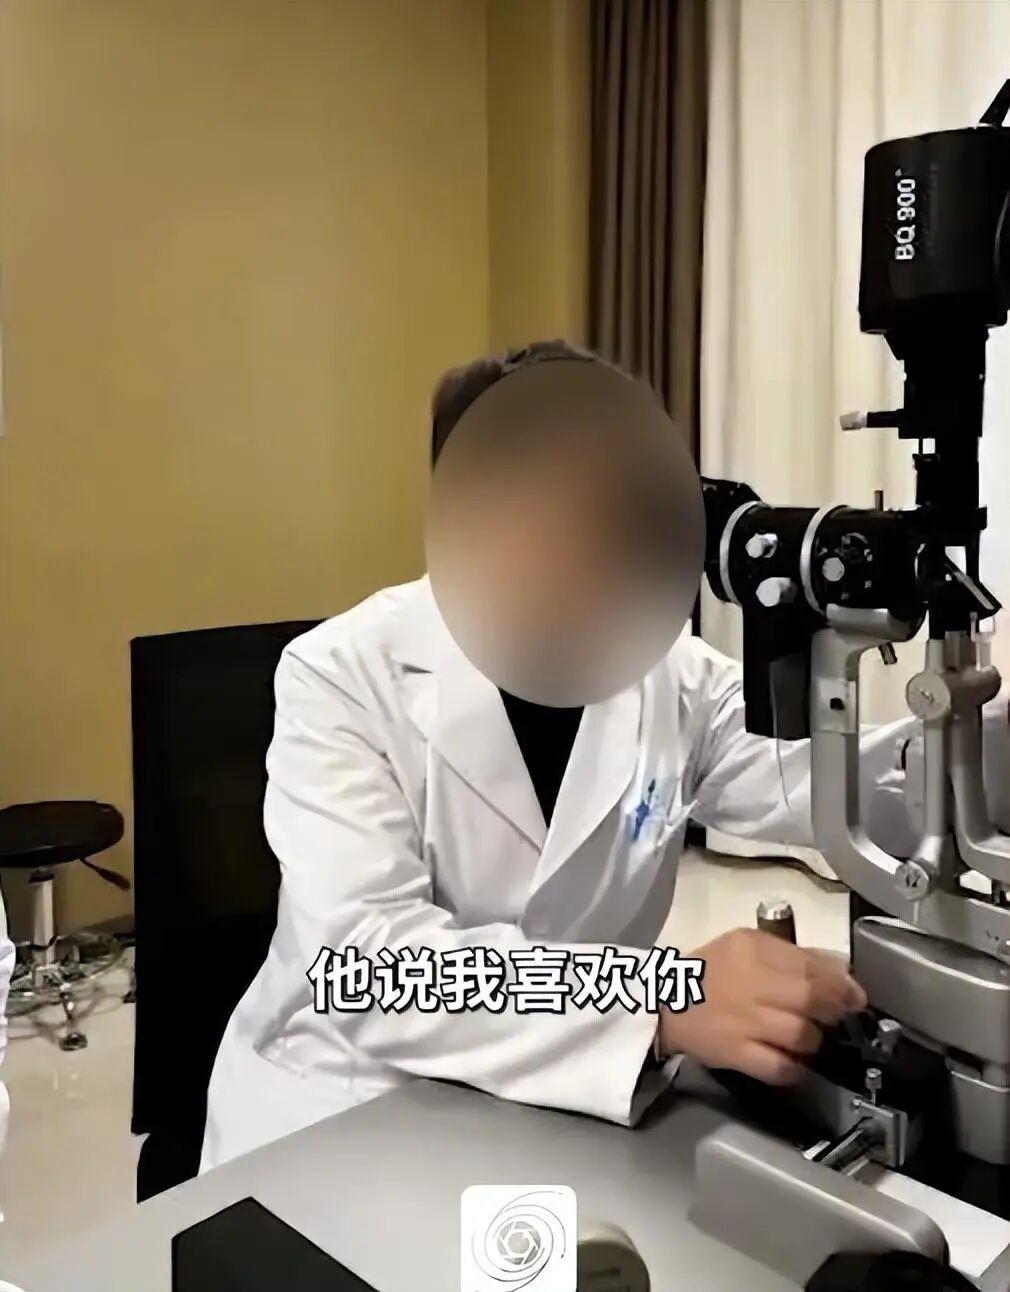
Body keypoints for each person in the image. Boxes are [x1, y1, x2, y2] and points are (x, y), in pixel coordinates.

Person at [201, 340, 911, 1171]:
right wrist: (662, 995)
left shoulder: (665, 671)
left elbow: (823, 785)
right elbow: (372, 968)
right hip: (347, 1114)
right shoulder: (342, 675)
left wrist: (971, 746)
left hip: (567, 1113)